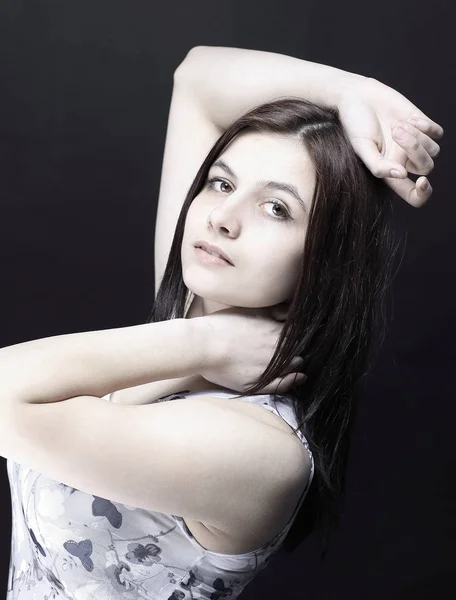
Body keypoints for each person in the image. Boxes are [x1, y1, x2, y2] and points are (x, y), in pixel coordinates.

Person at [3, 46, 443, 600]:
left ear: (327, 259)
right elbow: (197, 79)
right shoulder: (194, 307)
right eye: (221, 182)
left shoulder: (261, 448)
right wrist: (351, 92)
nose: (222, 217)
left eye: (276, 208)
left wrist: (205, 342)